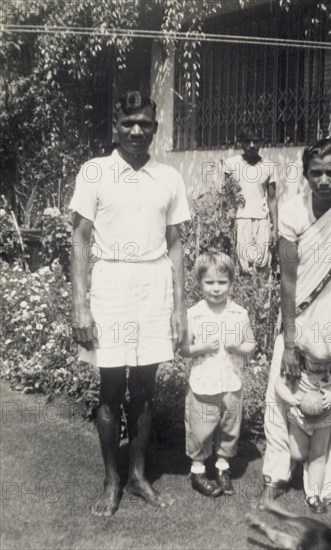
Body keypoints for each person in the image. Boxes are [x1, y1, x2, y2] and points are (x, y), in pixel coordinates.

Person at [69, 91, 190, 516]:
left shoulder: (169, 177)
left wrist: (179, 307)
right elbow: (80, 239)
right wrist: (81, 307)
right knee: (110, 389)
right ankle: (111, 479)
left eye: (145, 123)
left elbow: (175, 245)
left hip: (154, 285)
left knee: (145, 389)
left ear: (155, 127)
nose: (137, 131)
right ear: (114, 126)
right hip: (112, 286)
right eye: (128, 123)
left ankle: (138, 476)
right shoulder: (95, 172)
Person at [259, 138, 331, 512]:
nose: (324, 180)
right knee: (279, 394)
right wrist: (290, 342)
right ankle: (275, 477)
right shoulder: (292, 212)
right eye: (316, 173)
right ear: (305, 173)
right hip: (300, 311)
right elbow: (289, 280)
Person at [180, 252, 256, 497]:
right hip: (204, 384)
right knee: (201, 430)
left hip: (231, 384)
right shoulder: (194, 314)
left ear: (231, 283)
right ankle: (198, 471)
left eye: (222, 283)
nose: (216, 289)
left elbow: (251, 345)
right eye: (209, 282)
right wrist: (201, 348)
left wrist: (238, 348)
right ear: (200, 283)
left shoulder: (239, 314)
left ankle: (223, 468)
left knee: (229, 428)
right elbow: (183, 349)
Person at [274, 352, 331, 513]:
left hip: (323, 420)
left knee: (318, 456)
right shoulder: (297, 366)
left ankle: (313, 495)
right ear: (304, 355)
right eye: (316, 363)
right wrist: (290, 398)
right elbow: (279, 384)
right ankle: (303, 465)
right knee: (297, 454)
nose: (321, 367)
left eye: (325, 363)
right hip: (299, 418)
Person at [223, 123, 278, 275]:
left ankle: (261, 297)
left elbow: (272, 199)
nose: (252, 145)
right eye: (247, 141)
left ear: (261, 142)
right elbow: (227, 196)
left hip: (262, 219)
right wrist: (227, 223)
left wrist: (275, 229)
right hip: (241, 219)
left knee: (262, 264)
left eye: (255, 141)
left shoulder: (269, 166)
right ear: (241, 142)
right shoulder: (231, 164)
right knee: (243, 266)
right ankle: (244, 297)